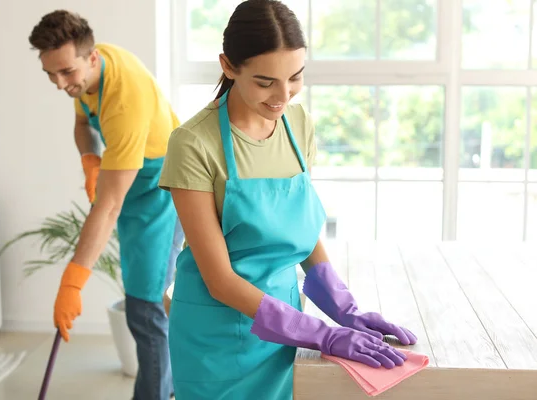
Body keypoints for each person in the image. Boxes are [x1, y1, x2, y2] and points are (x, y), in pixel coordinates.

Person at [158, 1, 417, 398]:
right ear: (228, 66)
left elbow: (300, 229)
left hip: (283, 325)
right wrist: (321, 334)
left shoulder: (297, 125)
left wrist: (344, 311)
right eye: (265, 82)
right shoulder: (193, 143)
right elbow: (220, 280)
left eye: (295, 77)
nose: (283, 96)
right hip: (216, 338)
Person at [28, 10, 184, 400]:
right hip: (132, 186)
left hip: (162, 190)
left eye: (66, 72)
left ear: (91, 57)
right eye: (50, 74)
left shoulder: (123, 101)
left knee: (145, 310)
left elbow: (109, 205)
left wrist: (73, 281)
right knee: (140, 304)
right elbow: (83, 124)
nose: (60, 83)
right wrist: (90, 158)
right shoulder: (89, 76)